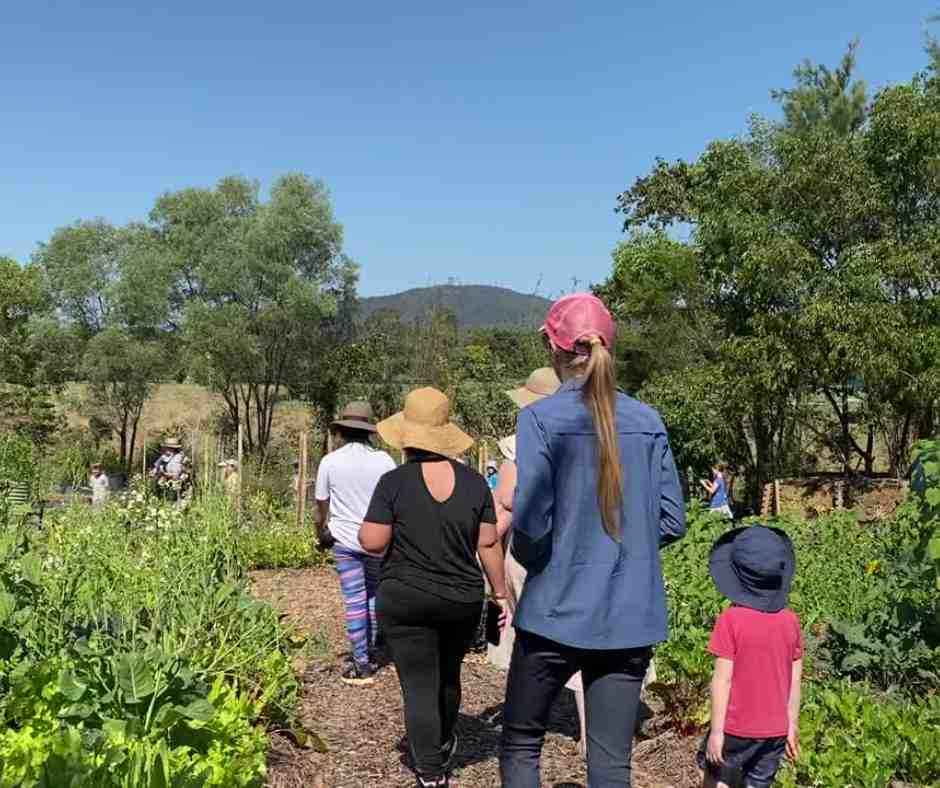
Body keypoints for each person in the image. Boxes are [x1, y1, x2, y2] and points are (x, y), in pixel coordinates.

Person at [500, 293, 687, 788]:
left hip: (554, 611)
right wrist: (625, 558)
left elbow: (532, 523)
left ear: (554, 349)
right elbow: (671, 519)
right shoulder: (648, 422)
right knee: (610, 763)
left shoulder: (540, 419)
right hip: (630, 617)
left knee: (522, 743)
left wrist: (540, 561)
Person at [360, 387, 509, 788]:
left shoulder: (393, 483)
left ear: (406, 436)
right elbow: (489, 543)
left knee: (418, 683)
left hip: (404, 596)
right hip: (461, 598)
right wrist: (500, 594)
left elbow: (372, 542)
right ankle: (443, 741)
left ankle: (430, 770)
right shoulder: (476, 484)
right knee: (448, 675)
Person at [699, 525, 802, 788]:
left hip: (735, 727)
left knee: (717, 776)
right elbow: (795, 681)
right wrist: (791, 724)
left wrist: (717, 731)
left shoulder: (731, 620)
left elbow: (722, 681)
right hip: (775, 730)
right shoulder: (790, 622)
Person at [315, 401, 396, 686]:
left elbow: (321, 505)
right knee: (373, 593)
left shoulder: (330, 461)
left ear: (342, 430)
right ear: (369, 431)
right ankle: (372, 650)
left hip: (345, 541)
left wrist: (321, 532)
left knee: (354, 599)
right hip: (377, 541)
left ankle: (361, 661)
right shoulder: (385, 461)